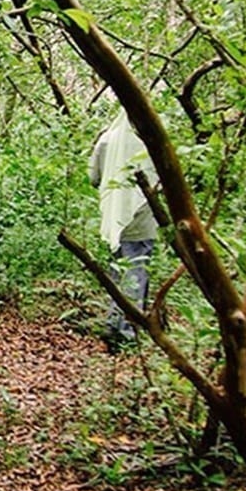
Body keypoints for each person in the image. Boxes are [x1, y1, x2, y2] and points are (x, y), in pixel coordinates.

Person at [88, 108, 158, 353]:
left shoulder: (107, 139)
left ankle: (113, 324)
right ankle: (127, 334)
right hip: (143, 218)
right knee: (137, 272)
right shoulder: (152, 139)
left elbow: (94, 177)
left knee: (118, 270)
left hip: (114, 216)